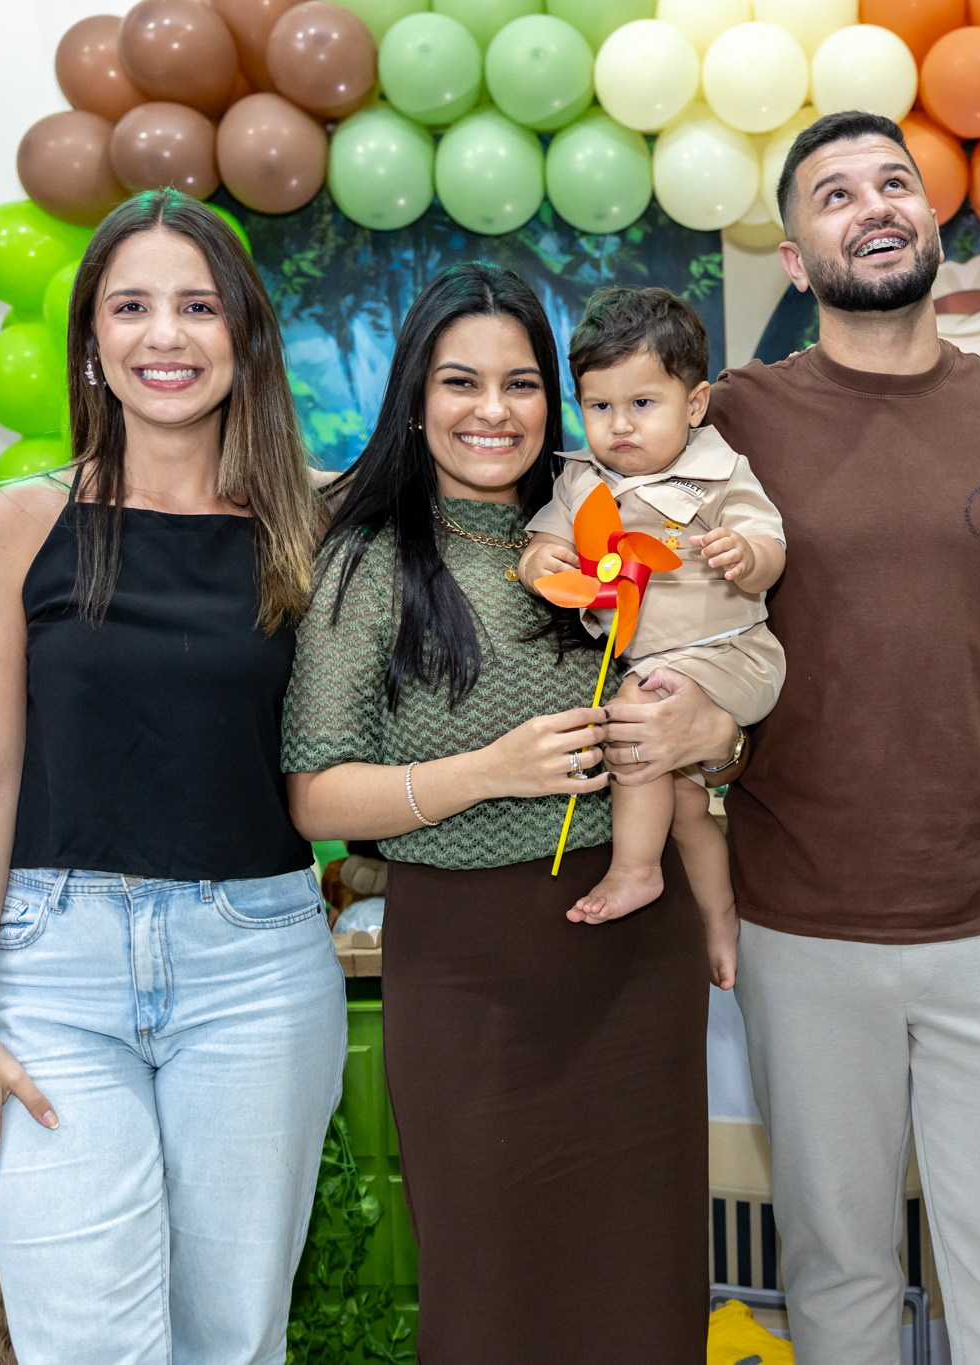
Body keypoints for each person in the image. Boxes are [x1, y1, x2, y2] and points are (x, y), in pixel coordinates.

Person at [596, 109, 980, 1362]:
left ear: (932, 217)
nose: (872, 205)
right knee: (838, 1286)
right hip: (802, 918)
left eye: (893, 183)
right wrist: (696, 724)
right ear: (796, 259)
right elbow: (585, 537)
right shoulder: (730, 423)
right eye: (832, 194)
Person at [0, 188, 344, 1362]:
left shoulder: (311, 528)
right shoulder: (16, 524)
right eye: (132, 306)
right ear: (94, 343)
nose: (165, 335)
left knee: (232, 1343)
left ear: (244, 337)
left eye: (198, 306)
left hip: (257, 972)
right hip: (52, 976)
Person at [281, 265, 708, 1361]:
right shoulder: (371, 559)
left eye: (521, 383)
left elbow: (714, 670)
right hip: (468, 969)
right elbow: (316, 789)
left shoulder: (602, 524)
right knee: (488, 1289)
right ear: (414, 399)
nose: (493, 411)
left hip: (632, 953)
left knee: (640, 1281)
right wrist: (489, 770)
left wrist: (708, 729)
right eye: (459, 381)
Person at [521, 285, 786, 988]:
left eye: (642, 404)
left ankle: (635, 872)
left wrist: (747, 554)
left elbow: (771, 543)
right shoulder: (582, 480)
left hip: (733, 651)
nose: (619, 426)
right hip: (655, 656)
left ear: (694, 404)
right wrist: (542, 561)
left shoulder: (719, 472)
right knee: (687, 805)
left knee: (635, 711)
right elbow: (544, 544)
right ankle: (720, 915)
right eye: (600, 407)